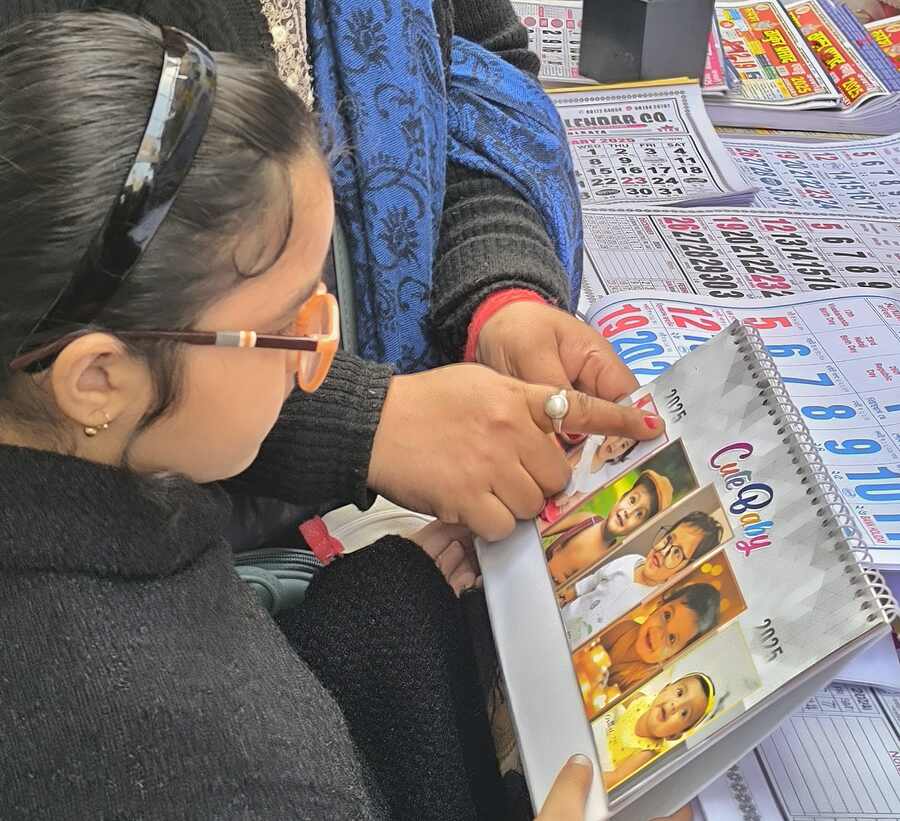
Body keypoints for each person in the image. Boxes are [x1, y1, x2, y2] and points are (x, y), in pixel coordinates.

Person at [0, 13, 664, 818]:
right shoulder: (221, 767)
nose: (329, 343)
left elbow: (482, 72)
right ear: (96, 379)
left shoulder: (113, 499)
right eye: (290, 319)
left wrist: (378, 621)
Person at [13, 0, 660, 550]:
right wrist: (368, 424)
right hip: (185, 541)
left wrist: (498, 291)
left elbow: (475, 84)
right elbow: (42, 318)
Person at [561, 512, 724, 645]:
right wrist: (572, 592)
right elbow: (595, 579)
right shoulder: (631, 560)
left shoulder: (653, 601)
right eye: (668, 539)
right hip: (565, 616)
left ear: (683, 570)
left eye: (677, 553)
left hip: (579, 648)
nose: (663, 551)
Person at [584, 583, 721, 693]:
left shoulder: (645, 681)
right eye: (667, 616)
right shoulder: (625, 628)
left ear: (675, 655)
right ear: (659, 605)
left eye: (671, 638)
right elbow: (587, 651)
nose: (659, 633)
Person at [544, 469, 674, 584]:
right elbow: (545, 530)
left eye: (639, 514)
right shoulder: (588, 520)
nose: (628, 512)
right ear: (621, 498)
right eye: (632, 500)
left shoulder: (608, 560)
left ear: (638, 528)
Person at [600, 674, 716, 790]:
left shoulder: (647, 753)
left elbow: (615, 779)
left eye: (684, 713)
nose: (675, 705)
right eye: (679, 693)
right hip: (611, 731)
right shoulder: (641, 701)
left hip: (611, 760)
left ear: (674, 735)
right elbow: (619, 688)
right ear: (663, 690)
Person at [540, 434, 640, 524]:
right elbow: (569, 466)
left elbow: (579, 497)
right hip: (551, 481)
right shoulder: (591, 443)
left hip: (556, 506)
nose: (616, 445)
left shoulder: (602, 477)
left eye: (623, 445)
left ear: (622, 455)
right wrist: (566, 493)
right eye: (618, 436)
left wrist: (564, 506)